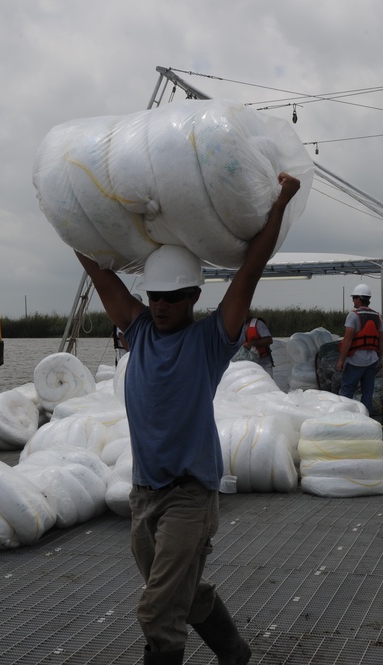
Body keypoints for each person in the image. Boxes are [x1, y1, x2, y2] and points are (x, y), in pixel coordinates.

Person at [76, 173, 301, 665]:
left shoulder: (209, 341)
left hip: (189, 496)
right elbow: (100, 275)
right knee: (182, 591)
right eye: (155, 296)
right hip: (144, 493)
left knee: (159, 609)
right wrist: (68, 216)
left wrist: (281, 201)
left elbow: (251, 269)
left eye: (172, 297)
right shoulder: (138, 331)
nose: (160, 305)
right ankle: (235, 654)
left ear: (193, 297)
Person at [336, 283, 383, 416]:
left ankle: (344, 418)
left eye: (354, 298)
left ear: (359, 298)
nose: (353, 300)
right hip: (372, 361)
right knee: (367, 393)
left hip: (355, 361)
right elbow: (382, 340)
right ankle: (365, 420)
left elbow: (347, 339)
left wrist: (341, 360)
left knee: (347, 392)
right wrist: (379, 359)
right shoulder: (377, 316)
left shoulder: (353, 316)